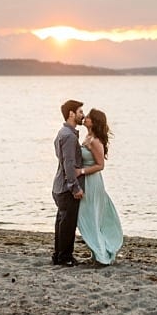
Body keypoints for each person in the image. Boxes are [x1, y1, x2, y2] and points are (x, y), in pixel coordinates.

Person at [75, 108, 123, 265]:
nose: (85, 118)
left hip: (92, 182)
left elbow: (100, 165)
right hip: (86, 181)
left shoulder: (95, 141)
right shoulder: (88, 137)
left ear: (94, 122)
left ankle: (101, 255)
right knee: (89, 217)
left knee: (92, 217)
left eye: (88, 117)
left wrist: (81, 171)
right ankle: (96, 253)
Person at [52, 99, 85, 267]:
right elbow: (69, 164)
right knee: (68, 224)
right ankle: (65, 257)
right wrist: (75, 187)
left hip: (59, 185)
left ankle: (58, 255)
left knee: (62, 222)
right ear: (71, 114)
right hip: (66, 188)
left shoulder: (63, 132)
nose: (83, 115)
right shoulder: (69, 136)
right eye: (80, 112)